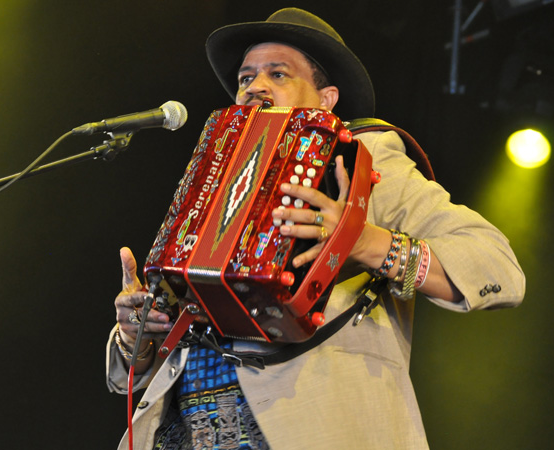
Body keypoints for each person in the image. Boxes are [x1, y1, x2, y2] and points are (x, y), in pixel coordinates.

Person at [106, 8, 525, 449]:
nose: (255, 87)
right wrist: (138, 333)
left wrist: (362, 241)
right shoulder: (214, 175)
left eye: (278, 74)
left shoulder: (362, 158)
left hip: (311, 425)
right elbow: (139, 369)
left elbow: (497, 266)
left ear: (326, 99)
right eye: (245, 78)